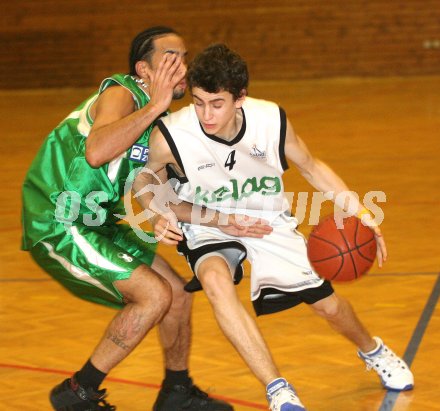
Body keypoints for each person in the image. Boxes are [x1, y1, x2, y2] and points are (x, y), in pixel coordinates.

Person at [133, 44, 415, 411]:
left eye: (216, 103)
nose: (206, 113)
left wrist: (360, 212)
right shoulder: (172, 133)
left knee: (328, 306)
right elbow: (143, 177)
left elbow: (313, 167)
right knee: (216, 281)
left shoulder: (270, 121)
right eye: (199, 102)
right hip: (208, 220)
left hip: (267, 219)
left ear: (240, 98)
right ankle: (278, 388)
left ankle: (372, 350)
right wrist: (156, 212)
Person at [20, 27, 270, 411]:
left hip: (96, 222)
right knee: (154, 295)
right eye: (171, 58)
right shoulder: (122, 92)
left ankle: (176, 390)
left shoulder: (161, 123)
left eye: (184, 57)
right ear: (143, 69)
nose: (182, 66)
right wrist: (155, 105)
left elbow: (159, 194)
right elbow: (97, 151)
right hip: (59, 218)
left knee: (177, 296)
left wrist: (224, 220)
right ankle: (78, 392)